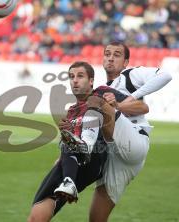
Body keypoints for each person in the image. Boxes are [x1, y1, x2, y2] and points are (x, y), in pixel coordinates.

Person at [27, 61, 149, 222]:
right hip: (72, 162)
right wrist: (62, 156)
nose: (75, 80)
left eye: (80, 76)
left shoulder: (102, 93)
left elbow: (142, 107)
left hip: (94, 157)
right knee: (36, 217)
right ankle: (68, 181)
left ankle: (82, 154)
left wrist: (117, 105)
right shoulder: (71, 111)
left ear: (91, 80)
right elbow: (70, 141)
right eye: (71, 77)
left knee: (93, 103)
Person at [70, 41, 172, 222]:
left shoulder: (130, 74)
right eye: (107, 53)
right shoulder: (106, 87)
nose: (110, 57)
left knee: (96, 100)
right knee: (96, 218)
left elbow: (165, 76)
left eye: (116, 55)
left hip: (134, 140)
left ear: (125, 62)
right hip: (116, 153)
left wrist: (128, 99)